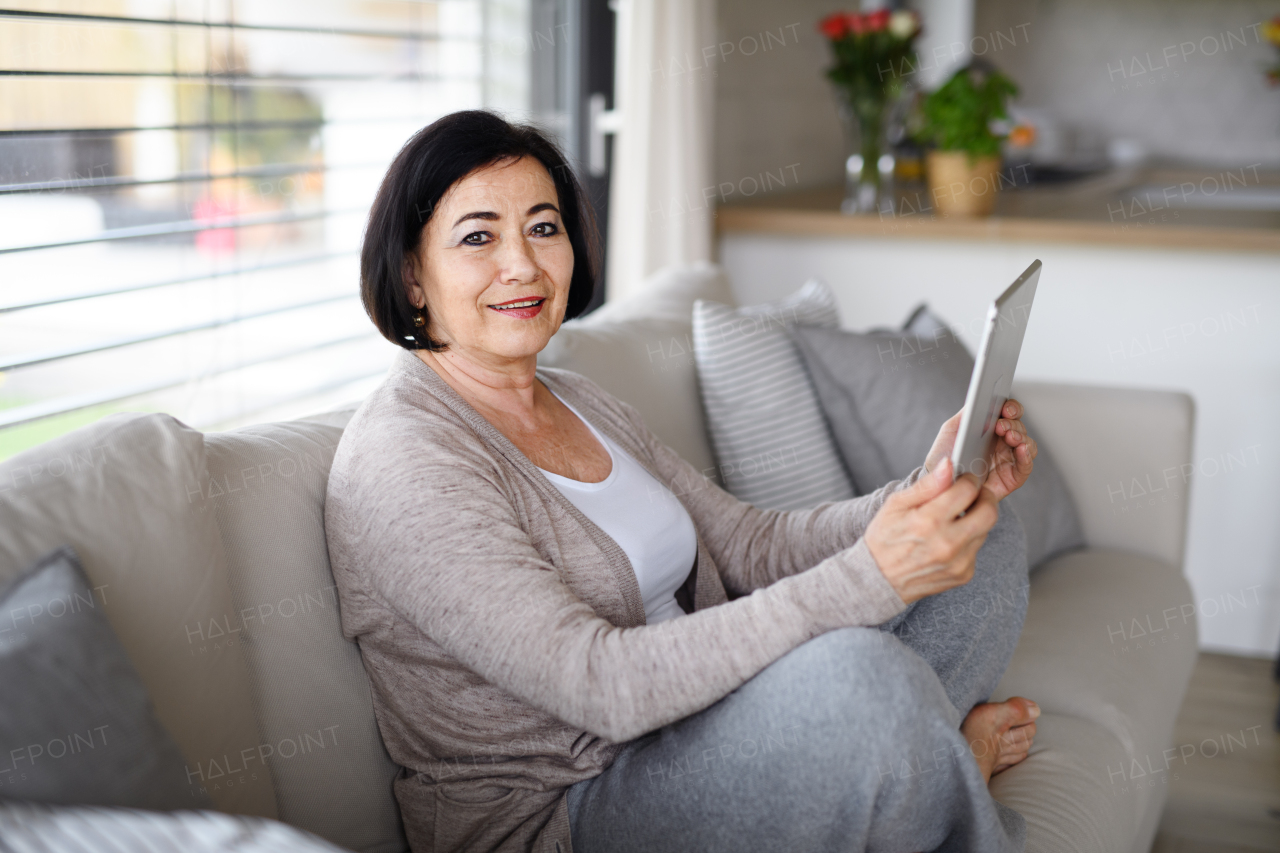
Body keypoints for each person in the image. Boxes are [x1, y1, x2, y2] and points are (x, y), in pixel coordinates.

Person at [325, 110, 1041, 853]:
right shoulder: (403, 457)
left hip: (696, 723)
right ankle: (946, 766)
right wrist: (870, 578)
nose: (523, 265)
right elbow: (596, 683)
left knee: (981, 531)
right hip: (568, 807)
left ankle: (911, 771)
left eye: (543, 227)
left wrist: (921, 493)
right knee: (859, 684)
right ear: (413, 275)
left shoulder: (577, 396)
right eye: (478, 237)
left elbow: (751, 545)